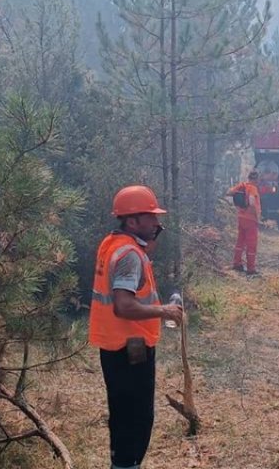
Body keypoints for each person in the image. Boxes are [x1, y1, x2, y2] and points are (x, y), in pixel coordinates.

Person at [89, 184, 185, 469]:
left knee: (122, 414)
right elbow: (124, 305)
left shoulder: (113, 243)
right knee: (137, 417)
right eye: (150, 218)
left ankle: (121, 463)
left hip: (114, 346)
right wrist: (164, 310)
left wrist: (147, 242)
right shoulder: (129, 254)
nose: (157, 223)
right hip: (130, 348)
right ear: (132, 221)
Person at [227, 170, 263, 275]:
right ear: (256, 179)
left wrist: (240, 200)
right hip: (251, 220)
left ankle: (237, 264)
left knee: (240, 242)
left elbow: (229, 192)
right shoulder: (253, 188)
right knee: (251, 244)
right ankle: (251, 269)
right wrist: (256, 216)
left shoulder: (242, 185)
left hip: (241, 217)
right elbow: (252, 202)